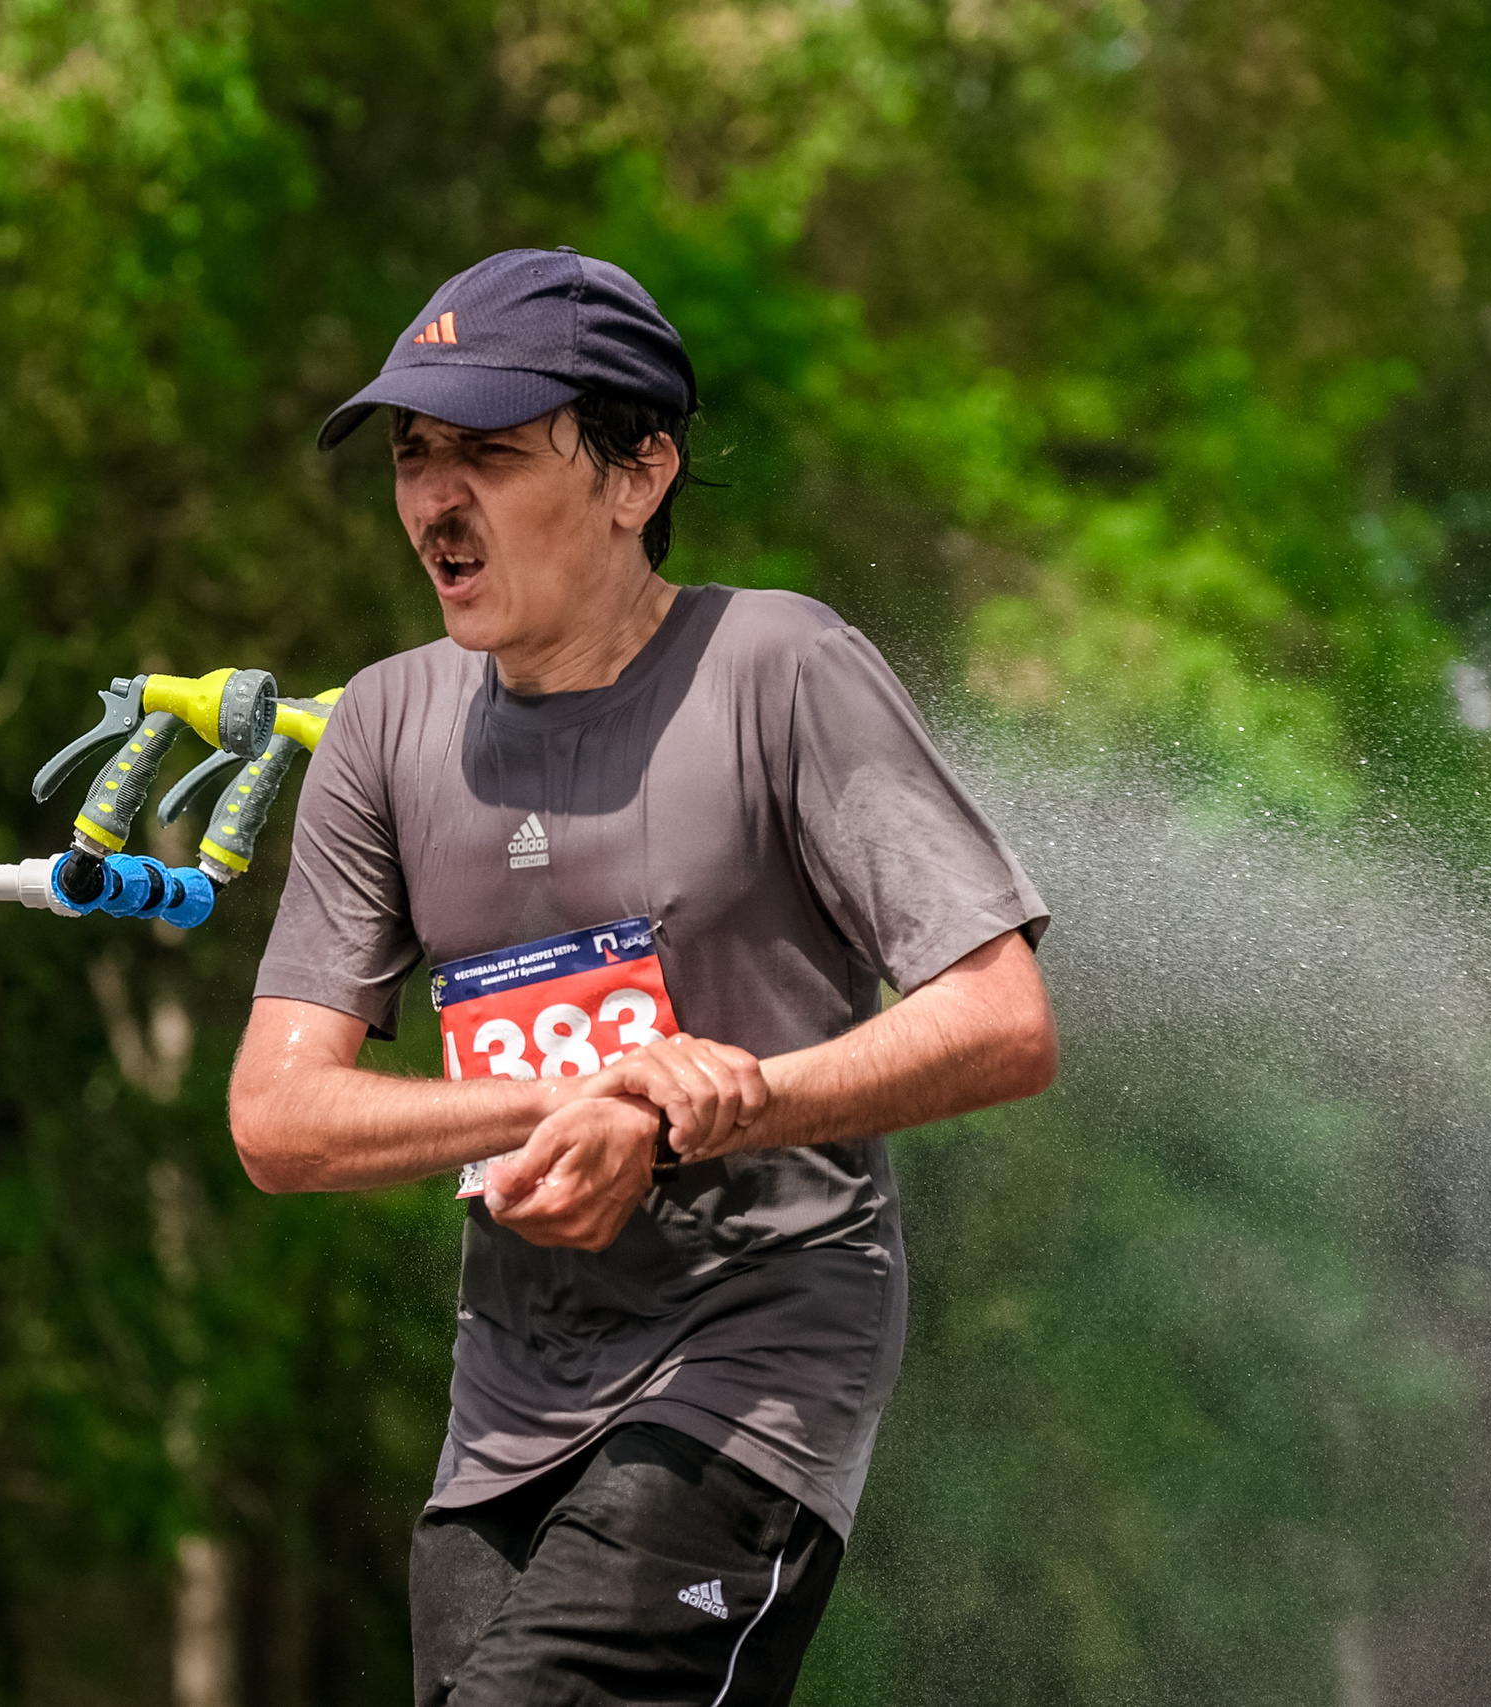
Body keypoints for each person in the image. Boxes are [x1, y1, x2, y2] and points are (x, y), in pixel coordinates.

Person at [227, 247, 1057, 1706]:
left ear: (639, 472)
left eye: (488, 449)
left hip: (754, 1371)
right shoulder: (383, 725)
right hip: (505, 1406)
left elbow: (1001, 1020)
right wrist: (569, 1098)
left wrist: (710, 1108)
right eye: (415, 455)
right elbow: (280, 1121)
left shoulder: (781, 666)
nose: (434, 498)